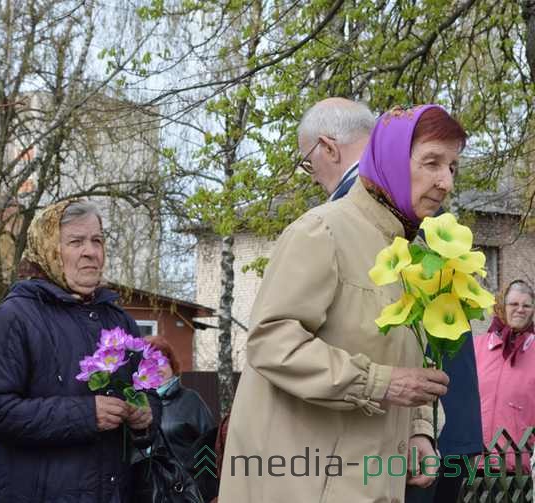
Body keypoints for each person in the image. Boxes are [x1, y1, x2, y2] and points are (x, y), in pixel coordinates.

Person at [219, 105, 466, 502]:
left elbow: (402, 358)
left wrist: (418, 429)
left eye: (453, 166)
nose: (445, 181)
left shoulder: (407, 253)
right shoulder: (322, 232)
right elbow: (271, 341)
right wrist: (378, 383)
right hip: (299, 481)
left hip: (365, 477)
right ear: (386, 160)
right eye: (432, 162)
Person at [0, 200, 161, 503]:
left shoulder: (118, 318)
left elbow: (148, 389)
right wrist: (85, 415)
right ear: (47, 249)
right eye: (76, 241)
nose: (91, 251)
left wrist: (145, 415)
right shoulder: (15, 317)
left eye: (97, 240)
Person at [131, 336, 216, 500]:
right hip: (142, 493)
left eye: (161, 362)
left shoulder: (191, 400)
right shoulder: (131, 403)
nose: (156, 369)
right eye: (149, 364)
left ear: (171, 364)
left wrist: (206, 490)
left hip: (182, 493)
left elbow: (209, 448)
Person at [474, 280, 535, 475]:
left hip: (517, 467)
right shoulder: (477, 348)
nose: (520, 310)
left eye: (526, 305)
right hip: (472, 461)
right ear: (501, 306)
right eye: (513, 304)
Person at [297, 97, 374, 200]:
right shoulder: (399, 171)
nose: (313, 180)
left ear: (329, 148)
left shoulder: (334, 213)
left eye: (310, 164)